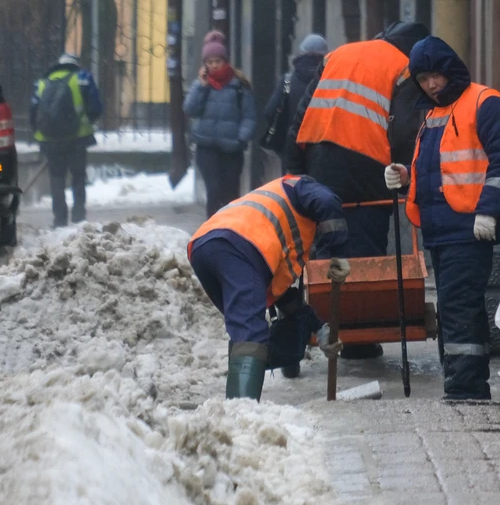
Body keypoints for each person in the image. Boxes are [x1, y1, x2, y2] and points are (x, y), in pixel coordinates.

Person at [384, 36, 500, 401]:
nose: (431, 85)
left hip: (470, 228)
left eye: (436, 76)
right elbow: (441, 171)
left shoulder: (484, 102)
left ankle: (466, 387)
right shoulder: (433, 115)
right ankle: (462, 381)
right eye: (423, 79)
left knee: (460, 305)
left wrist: (489, 211)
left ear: (450, 70)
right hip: (440, 230)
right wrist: (405, 176)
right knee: (454, 306)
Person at [285, 21, 429, 359]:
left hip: (319, 160)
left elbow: (302, 113)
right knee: (365, 246)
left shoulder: (337, 54)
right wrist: (407, 172)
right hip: (368, 165)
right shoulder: (405, 66)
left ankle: (328, 324)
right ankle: (359, 337)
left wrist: (294, 168)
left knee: (327, 242)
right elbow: (406, 130)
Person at [188, 174, 351, 400]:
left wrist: (319, 328)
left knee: (243, 330)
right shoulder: (299, 186)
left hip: (203, 247)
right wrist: (338, 254)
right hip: (240, 246)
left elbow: (281, 296)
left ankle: (237, 404)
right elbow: (327, 200)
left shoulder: (269, 214)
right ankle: (241, 416)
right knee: (250, 333)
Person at [184, 30, 257, 217]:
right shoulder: (201, 85)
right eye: (210, 62)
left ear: (225, 61)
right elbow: (190, 109)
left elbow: (249, 115)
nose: (214, 66)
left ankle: (231, 231)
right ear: (205, 64)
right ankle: (211, 231)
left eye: (218, 61)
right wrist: (201, 87)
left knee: (230, 193)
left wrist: (241, 138)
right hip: (206, 147)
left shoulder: (239, 84)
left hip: (232, 148)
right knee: (214, 190)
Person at [30, 53, 103, 228]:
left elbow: (33, 112)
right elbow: (96, 107)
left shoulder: (42, 82)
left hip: (51, 140)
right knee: (78, 177)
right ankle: (79, 217)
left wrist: (41, 133)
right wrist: (86, 122)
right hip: (77, 139)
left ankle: (59, 219)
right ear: (75, 64)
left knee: (57, 179)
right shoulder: (82, 78)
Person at [260, 34, 330, 174]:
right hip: (321, 147)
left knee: (291, 187)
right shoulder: (329, 80)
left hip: (291, 145)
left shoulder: (288, 81)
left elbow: (270, 111)